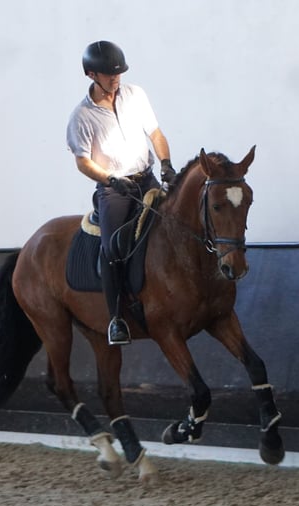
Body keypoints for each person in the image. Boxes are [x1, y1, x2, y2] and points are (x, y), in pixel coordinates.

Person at [66, 40, 176, 345]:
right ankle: (116, 319)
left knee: (177, 221)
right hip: (115, 190)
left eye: (119, 74)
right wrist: (112, 180)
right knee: (113, 247)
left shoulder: (136, 95)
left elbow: (155, 133)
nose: (116, 79)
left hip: (147, 178)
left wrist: (166, 163)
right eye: (108, 74)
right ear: (91, 74)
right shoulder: (81, 117)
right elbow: (83, 162)